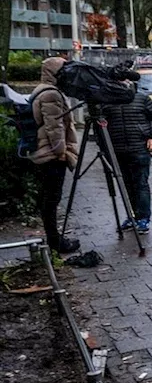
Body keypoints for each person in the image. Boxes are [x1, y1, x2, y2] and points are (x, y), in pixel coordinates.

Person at [30, 56, 80, 254]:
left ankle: (54, 239)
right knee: (51, 198)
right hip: (50, 155)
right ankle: (55, 242)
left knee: (48, 198)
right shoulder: (51, 94)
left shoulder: (42, 90)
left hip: (43, 152)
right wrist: (61, 152)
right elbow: (55, 127)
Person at [100, 85, 152, 234]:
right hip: (117, 150)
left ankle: (143, 218)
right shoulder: (107, 101)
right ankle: (132, 216)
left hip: (139, 148)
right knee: (126, 185)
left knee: (140, 184)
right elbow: (100, 125)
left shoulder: (141, 98)